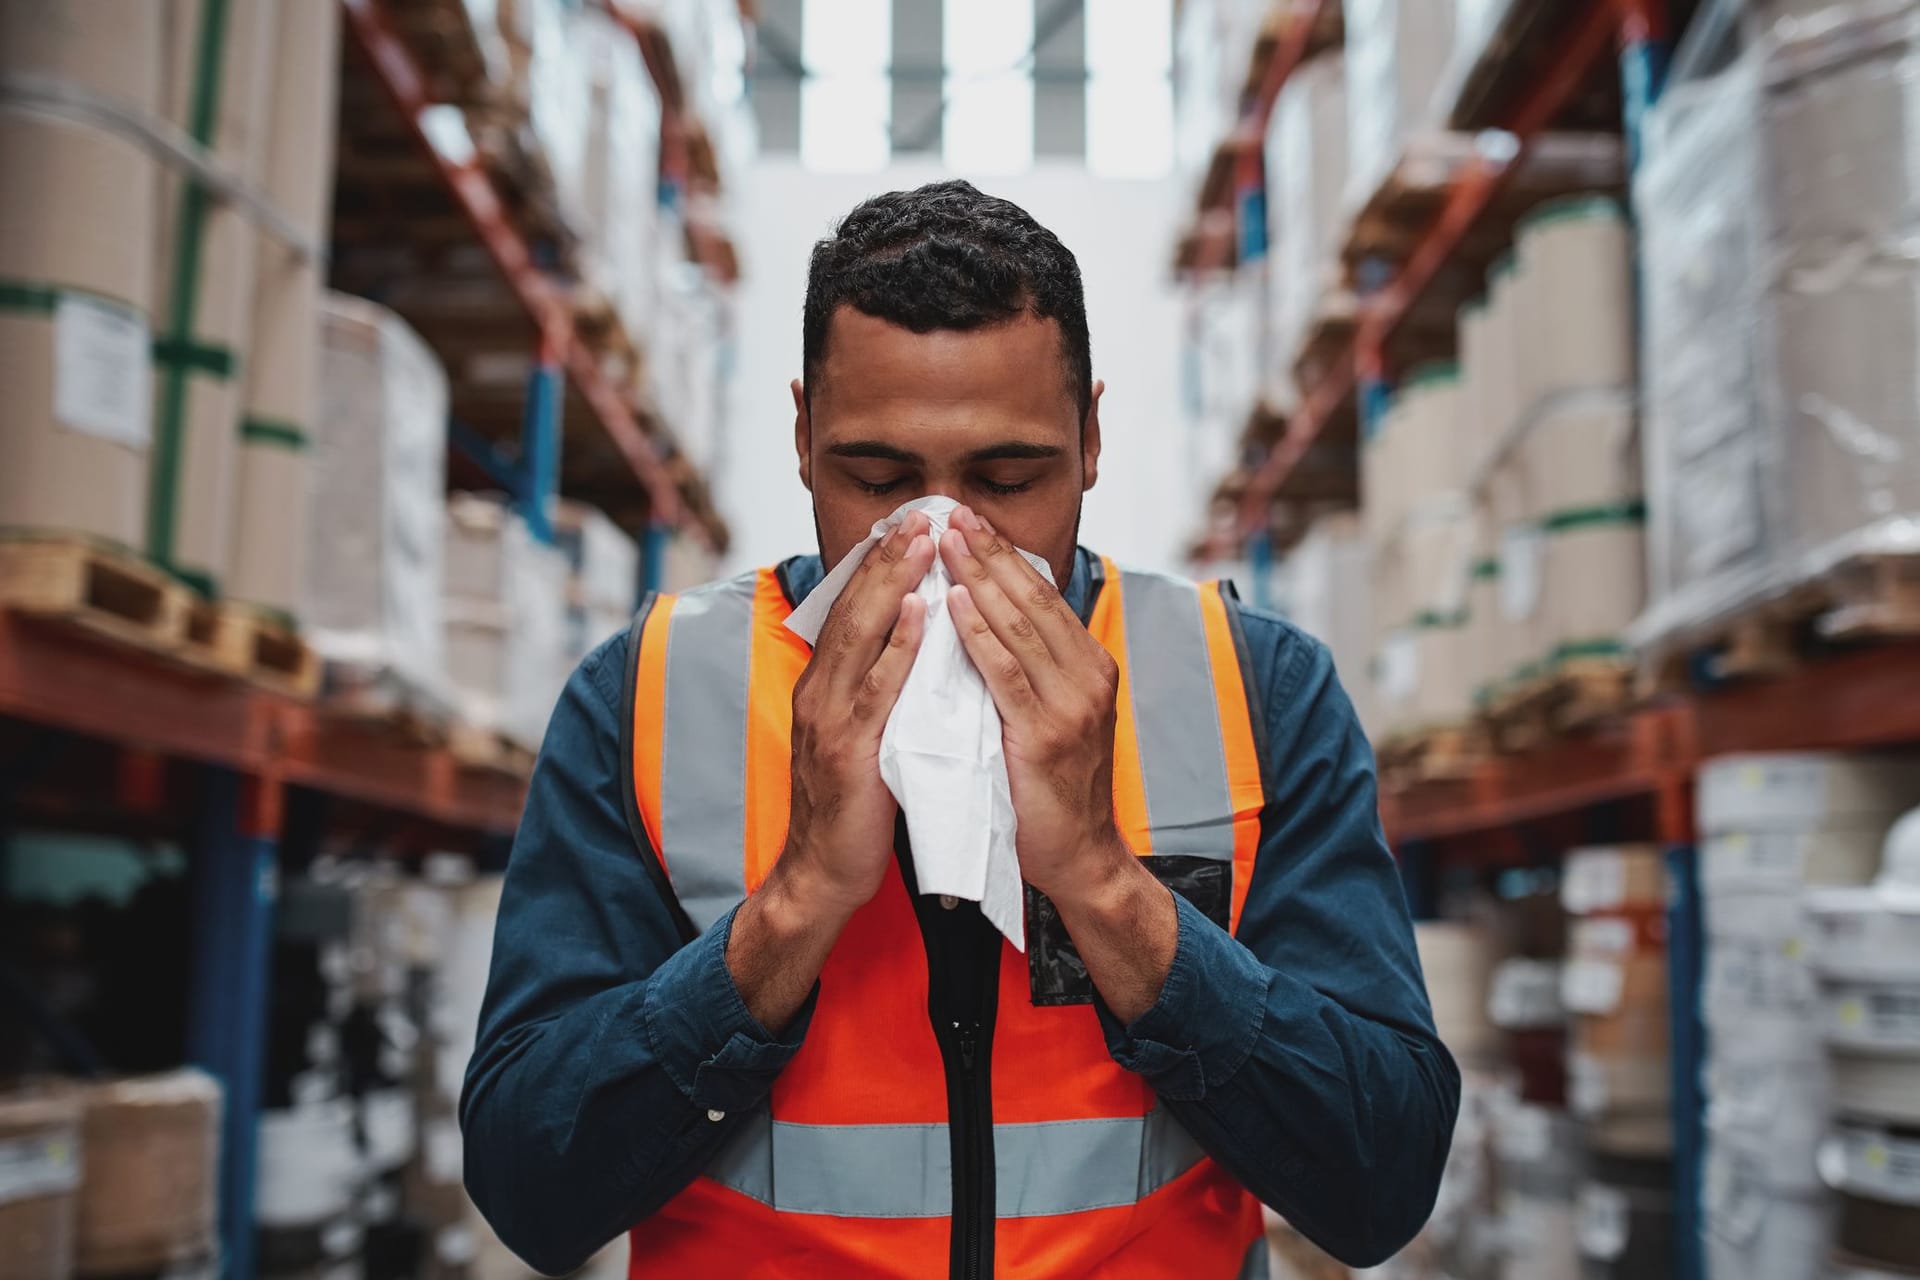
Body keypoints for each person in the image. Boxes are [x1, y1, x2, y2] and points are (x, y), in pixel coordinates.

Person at [461, 180, 1459, 1279]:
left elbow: (1381, 1181)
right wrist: (791, 908)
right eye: (877, 477)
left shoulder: (1253, 689)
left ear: (1089, 438)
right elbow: (530, 1189)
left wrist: (1105, 886)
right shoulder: (651, 692)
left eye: (1008, 477)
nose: (941, 535)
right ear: (802, 437)